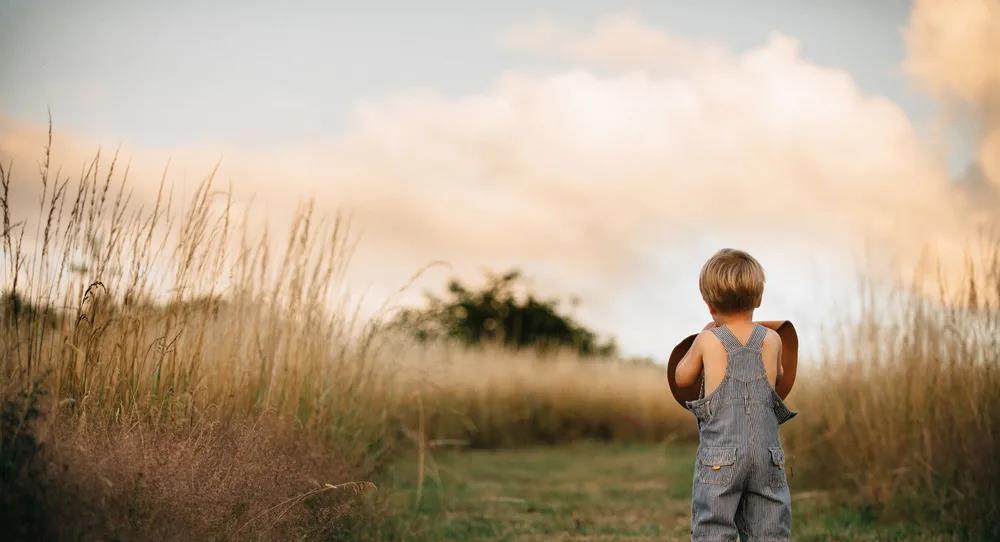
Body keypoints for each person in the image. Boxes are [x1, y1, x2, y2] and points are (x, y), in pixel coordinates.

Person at [673, 248, 797, 542]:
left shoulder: (708, 339)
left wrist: (700, 340)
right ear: (759, 299)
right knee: (768, 528)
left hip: (720, 456)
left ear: (708, 304)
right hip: (766, 454)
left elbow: (681, 377)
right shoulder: (772, 339)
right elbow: (779, 376)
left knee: (714, 527)